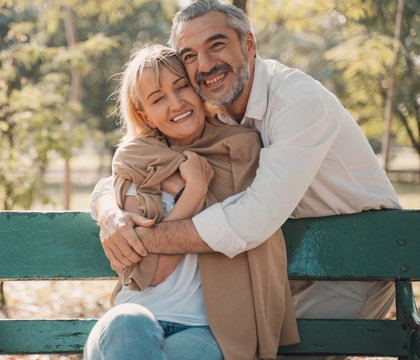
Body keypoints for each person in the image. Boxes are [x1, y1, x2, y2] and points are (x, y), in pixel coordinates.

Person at [91, 0, 401, 344]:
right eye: (190, 55)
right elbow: (132, 164)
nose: (205, 65)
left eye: (217, 44)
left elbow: (252, 219)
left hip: (353, 258)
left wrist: (144, 240)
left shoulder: (298, 102)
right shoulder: (216, 107)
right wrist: (109, 212)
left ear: (249, 45)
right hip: (284, 266)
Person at [84, 44, 299, 360]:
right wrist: (194, 191)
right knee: (126, 325)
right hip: (134, 324)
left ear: (198, 88)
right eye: (158, 99)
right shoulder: (136, 160)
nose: (175, 103)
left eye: (181, 86)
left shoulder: (239, 150)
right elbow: (150, 274)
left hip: (206, 331)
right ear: (145, 115)